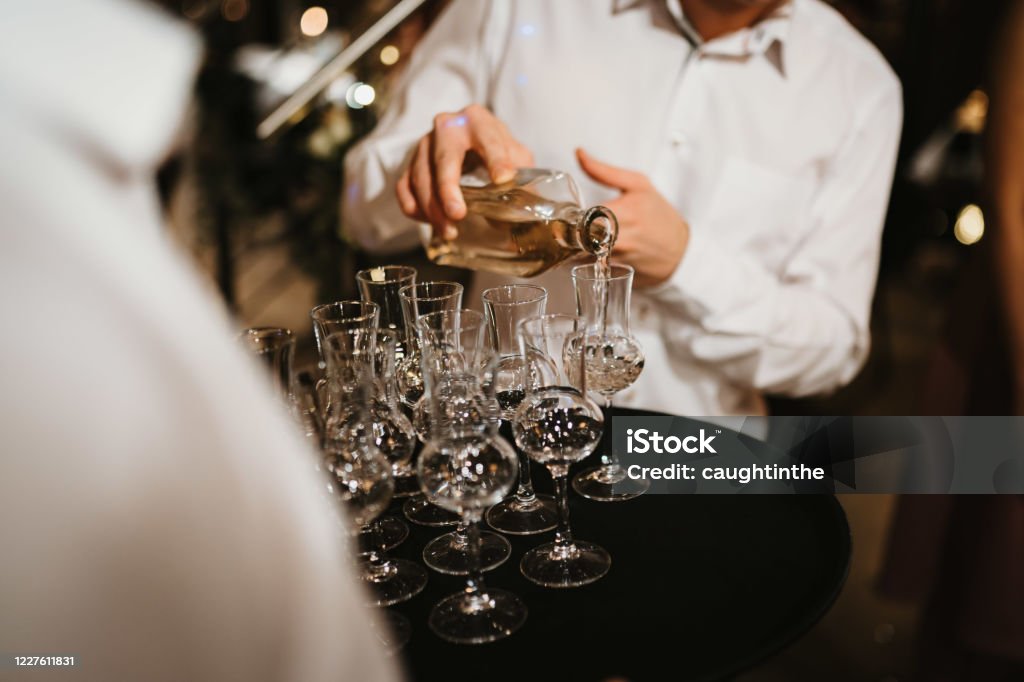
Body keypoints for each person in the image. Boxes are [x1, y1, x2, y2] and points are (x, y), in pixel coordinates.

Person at [0, 2, 399, 681]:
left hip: (645, 444)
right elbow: (371, 206)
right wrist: (426, 160)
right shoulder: (42, 289)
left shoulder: (99, 142)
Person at [344, 0, 903, 419]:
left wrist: (687, 267)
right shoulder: (513, 7)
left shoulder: (859, 86)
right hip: (502, 436)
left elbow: (832, 351)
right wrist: (420, 169)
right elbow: (360, 216)